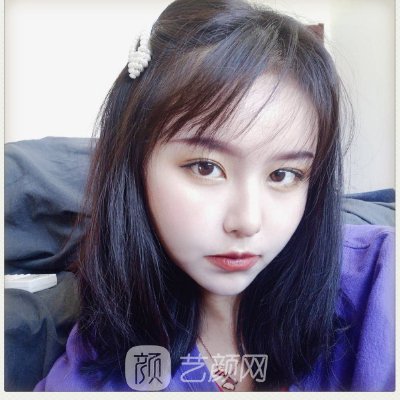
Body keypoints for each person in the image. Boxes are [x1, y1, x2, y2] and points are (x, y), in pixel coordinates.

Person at [34, 0, 394, 392]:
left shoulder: (380, 281)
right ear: (134, 166)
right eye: (206, 167)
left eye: (283, 174)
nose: (247, 222)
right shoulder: (99, 367)